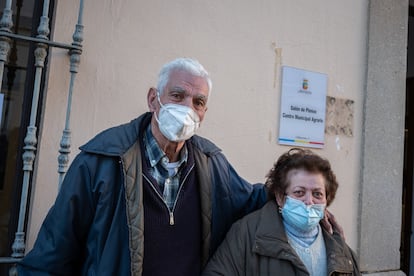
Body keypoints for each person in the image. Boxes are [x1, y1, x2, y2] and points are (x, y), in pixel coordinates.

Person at [17, 58, 268, 276]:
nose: (187, 108)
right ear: (153, 99)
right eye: (178, 95)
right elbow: (52, 254)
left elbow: (252, 200)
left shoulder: (212, 163)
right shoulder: (101, 160)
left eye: (198, 102)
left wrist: (296, 182)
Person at [202, 148, 360, 276]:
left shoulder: (339, 248)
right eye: (299, 192)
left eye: (317, 194)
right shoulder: (246, 234)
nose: (309, 201)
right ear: (280, 197)